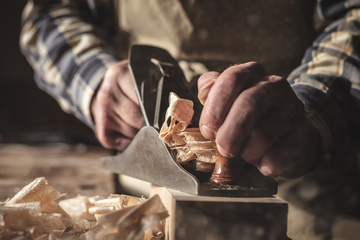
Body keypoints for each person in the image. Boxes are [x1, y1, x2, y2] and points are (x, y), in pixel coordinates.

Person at [20, 0, 360, 239]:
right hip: (144, 201)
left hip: (300, 177)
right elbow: (50, 11)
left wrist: (312, 105)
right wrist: (94, 82)